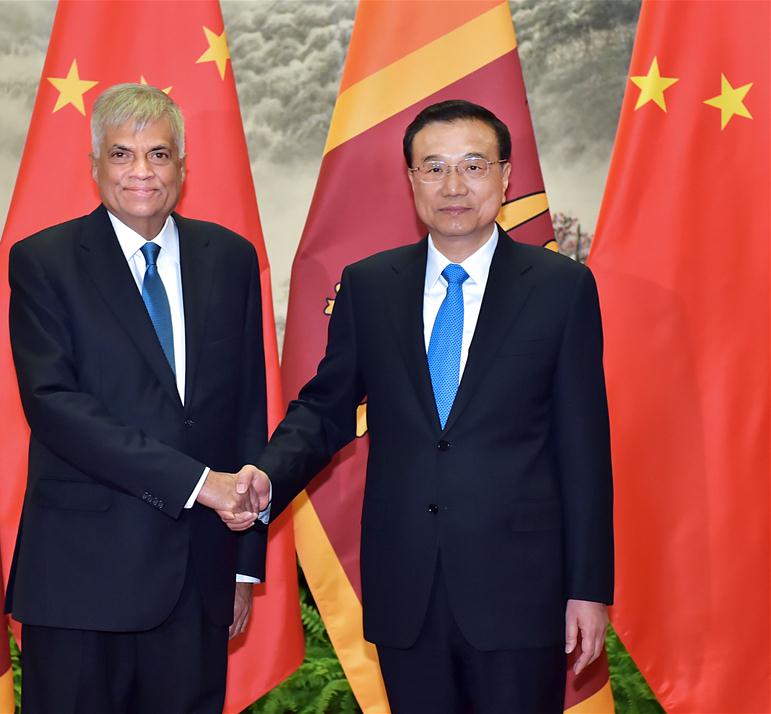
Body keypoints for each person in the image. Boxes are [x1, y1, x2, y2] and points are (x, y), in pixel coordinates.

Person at [234, 100, 614, 712]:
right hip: (405, 584)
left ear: (505, 175)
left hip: (521, 588)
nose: (454, 186)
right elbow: (326, 409)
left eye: (473, 165)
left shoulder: (561, 289)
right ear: (411, 180)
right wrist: (265, 475)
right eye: (433, 168)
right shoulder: (369, 285)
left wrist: (588, 588)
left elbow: (584, 447)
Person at [5, 83, 270, 714]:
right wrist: (198, 483)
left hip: (197, 582)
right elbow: (55, 407)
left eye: (159, 154)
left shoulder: (230, 259)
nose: (142, 172)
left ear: (183, 166)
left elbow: (247, 413)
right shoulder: (43, 261)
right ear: (95, 166)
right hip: (81, 583)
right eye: (122, 155)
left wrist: (242, 568)